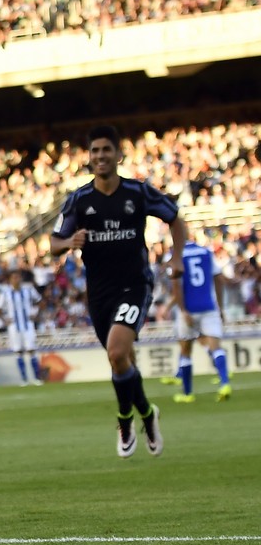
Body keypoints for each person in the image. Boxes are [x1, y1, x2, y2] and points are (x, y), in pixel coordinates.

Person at [50, 125, 186, 458]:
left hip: (135, 285)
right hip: (99, 292)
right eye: (94, 151)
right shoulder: (79, 199)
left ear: (118, 155)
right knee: (121, 362)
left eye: (106, 150)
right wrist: (69, 242)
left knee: (115, 352)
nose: (100, 156)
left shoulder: (138, 193)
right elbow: (54, 243)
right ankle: (145, 412)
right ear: (89, 157)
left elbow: (175, 218)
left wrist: (177, 256)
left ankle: (125, 418)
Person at [171, 239, 231, 403]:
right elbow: (218, 278)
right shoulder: (206, 252)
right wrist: (220, 306)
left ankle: (188, 394)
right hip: (208, 305)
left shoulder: (177, 255)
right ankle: (225, 383)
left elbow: (176, 283)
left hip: (189, 308)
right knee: (215, 347)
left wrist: (183, 310)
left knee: (185, 350)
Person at [0, 269, 44, 385]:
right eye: (14, 278)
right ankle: (24, 379)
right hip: (14, 326)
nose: (16, 280)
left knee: (31, 349)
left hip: (28, 325)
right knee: (18, 351)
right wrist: (4, 320)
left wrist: (36, 314)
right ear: (10, 280)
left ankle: (37, 378)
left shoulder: (28, 289)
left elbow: (40, 301)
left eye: (18, 277)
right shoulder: (5, 292)